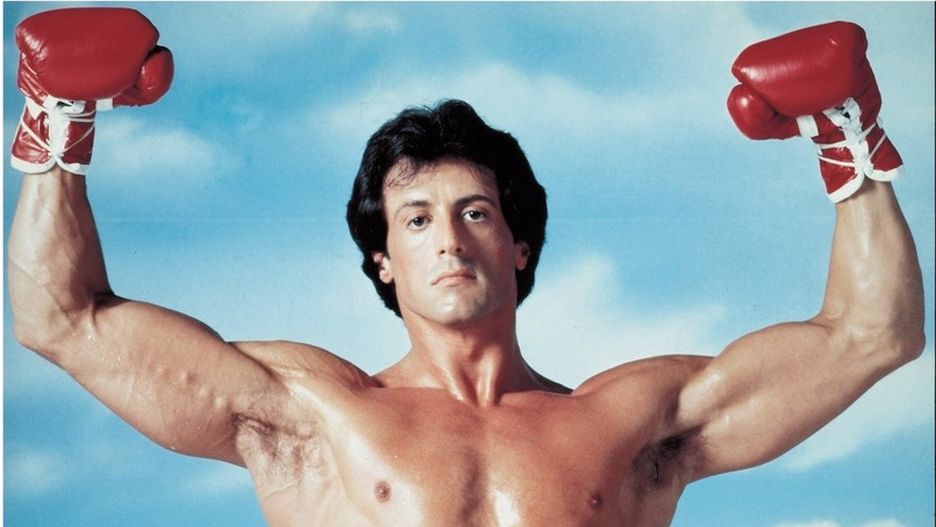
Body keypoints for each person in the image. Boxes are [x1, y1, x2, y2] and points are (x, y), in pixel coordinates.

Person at [7, 8, 925, 527]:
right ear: (383, 261)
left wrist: (844, 137)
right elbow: (62, 319)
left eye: (475, 212)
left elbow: (872, 334)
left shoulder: (625, 421)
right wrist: (58, 132)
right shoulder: (311, 414)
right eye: (417, 219)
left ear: (518, 246)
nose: (447, 237)